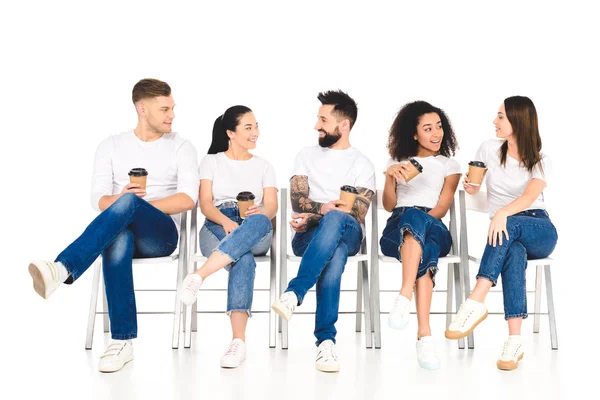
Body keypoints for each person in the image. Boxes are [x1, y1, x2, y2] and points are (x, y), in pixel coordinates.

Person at [28, 78, 199, 373]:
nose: (172, 115)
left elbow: (188, 199)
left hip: (162, 235)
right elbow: (98, 198)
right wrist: (122, 203)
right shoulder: (111, 146)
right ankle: (122, 342)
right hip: (122, 231)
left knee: (129, 205)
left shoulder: (182, 147)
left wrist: (135, 207)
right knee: (117, 237)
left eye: (172, 108)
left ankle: (63, 268)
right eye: (164, 109)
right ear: (141, 109)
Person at [445, 96, 558, 371]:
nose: (494, 122)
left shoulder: (541, 158)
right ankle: (514, 341)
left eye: (500, 117)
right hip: (508, 233)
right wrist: (471, 187)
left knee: (510, 227)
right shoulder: (488, 148)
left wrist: (502, 213)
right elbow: (476, 183)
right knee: (513, 253)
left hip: (539, 228)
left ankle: (476, 300)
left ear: (517, 121)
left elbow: (531, 196)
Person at [271, 90, 376, 373]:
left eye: (323, 119)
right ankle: (325, 344)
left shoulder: (362, 163)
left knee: (338, 220)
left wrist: (323, 212)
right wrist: (323, 210)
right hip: (308, 236)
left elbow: (358, 213)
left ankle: (295, 292)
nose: (317, 125)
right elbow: (296, 199)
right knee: (335, 254)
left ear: (343, 125)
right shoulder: (305, 155)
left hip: (350, 232)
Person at [177, 106, 277, 369]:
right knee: (241, 257)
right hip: (217, 224)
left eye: (256, 126)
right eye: (248, 127)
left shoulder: (265, 166)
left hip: (255, 226)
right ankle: (238, 342)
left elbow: (272, 207)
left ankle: (199, 276)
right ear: (230, 133)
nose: (255, 132)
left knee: (258, 221)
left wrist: (260, 212)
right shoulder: (210, 162)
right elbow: (206, 204)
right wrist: (225, 221)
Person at [380, 101, 461, 370]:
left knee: (417, 218)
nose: (436, 133)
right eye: (428, 128)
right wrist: (390, 177)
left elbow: (441, 207)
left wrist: (419, 216)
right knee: (421, 248)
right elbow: (390, 205)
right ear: (414, 134)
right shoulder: (397, 162)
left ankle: (404, 295)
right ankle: (424, 336)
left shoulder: (449, 164)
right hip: (397, 227)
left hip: (434, 225)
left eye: (439, 126)